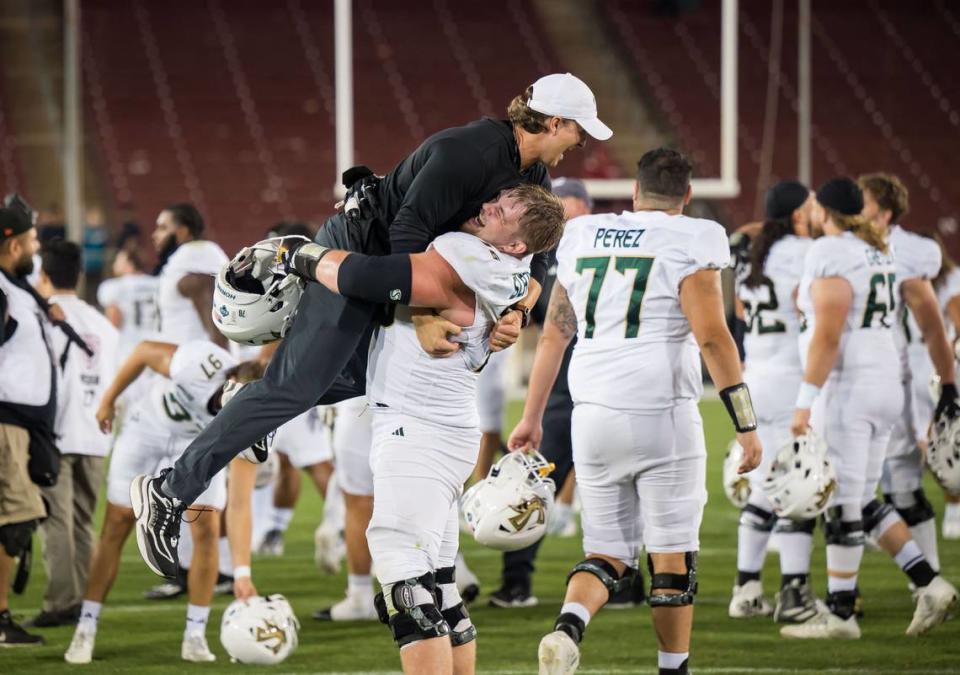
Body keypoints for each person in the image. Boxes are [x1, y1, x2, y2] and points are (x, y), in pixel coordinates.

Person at [131, 74, 612, 579]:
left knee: (371, 377)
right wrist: (423, 318)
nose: (581, 144)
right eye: (579, 131)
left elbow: (536, 258)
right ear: (554, 121)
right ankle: (169, 491)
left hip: (395, 268)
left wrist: (515, 312)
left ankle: (247, 402)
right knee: (293, 387)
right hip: (360, 253)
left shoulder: (531, 175)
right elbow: (406, 231)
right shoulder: (466, 152)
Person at [293, 183, 564, 674]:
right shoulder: (514, 269)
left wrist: (301, 255)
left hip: (418, 428)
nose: (485, 206)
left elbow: (370, 277)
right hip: (445, 425)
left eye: (501, 210)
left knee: (406, 585)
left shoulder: (462, 251)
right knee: (439, 585)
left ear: (517, 244)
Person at [512, 149, 762, 675]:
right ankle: (673, 668)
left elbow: (555, 331)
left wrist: (531, 416)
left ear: (634, 192)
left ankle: (568, 627)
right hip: (660, 413)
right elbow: (714, 338)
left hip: (592, 414)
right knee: (672, 559)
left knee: (607, 553)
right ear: (688, 195)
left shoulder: (584, 235)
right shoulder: (692, 238)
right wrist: (746, 424)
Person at [782, 178, 956, 639]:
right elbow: (933, 324)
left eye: (818, 204)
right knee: (859, 498)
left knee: (844, 500)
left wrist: (804, 401)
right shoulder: (882, 250)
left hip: (848, 386)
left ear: (830, 210)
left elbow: (829, 333)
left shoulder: (832, 251)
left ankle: (841, 616)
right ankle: (928, 583)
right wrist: (950, 384)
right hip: (886, 385)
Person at [63, 339, 242, 664]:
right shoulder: (201, 365)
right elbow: (144, 350)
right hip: (146, 430)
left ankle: (195, 635)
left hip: (196, 446)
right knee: (116, 525)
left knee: (206, 531)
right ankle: (85, 627)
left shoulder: (247, 413)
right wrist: (109, 400)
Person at [489, 177, 596, 609]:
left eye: (573, 208)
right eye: (561, 210)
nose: (568, 218)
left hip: (599, 383)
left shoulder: (588, 250)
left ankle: (628, 582)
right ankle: (516, 582)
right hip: (564, 389)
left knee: (627, 490)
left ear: (588, 209)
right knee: (536, 483)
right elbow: (541, 327)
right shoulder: (546, 254)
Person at [858, 173, 957, 579]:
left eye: (861, 204)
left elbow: (934, 325)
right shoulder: (915, 251)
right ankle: (926, 578)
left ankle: (847, 596)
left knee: (868, 488)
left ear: (883, 212)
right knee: (894, 481)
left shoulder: (907, 253)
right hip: (897, 369)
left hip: (898, 369)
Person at [728, 181, 815, 621]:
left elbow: (742, 313)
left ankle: (746, 587)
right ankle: (795, 594)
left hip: (755, 378)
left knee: (766, 486)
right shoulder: (806, 254)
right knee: (801, 485)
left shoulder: (753, 257)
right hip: (790, 381)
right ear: (797, 214)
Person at [27, 240, 118, 629]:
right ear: (79, 276)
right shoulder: (104, 325)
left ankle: (62, 602)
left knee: (55, 523)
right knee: (82, 523)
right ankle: (83, 599)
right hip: (96, 436)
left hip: (57, 434)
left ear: (43, 276)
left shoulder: (45, 319)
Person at [0, 203, 51, 646]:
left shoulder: (17, 288)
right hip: (5, 422)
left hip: (21, 423)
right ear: (15, 243)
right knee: (14, 519)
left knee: (16, 518)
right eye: (33, 240)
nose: (37, 248)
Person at [931, 236, 960, 539]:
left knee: (947, 438)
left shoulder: (951, 280)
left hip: (948, 368)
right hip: (931, 367)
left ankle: (954, 508)